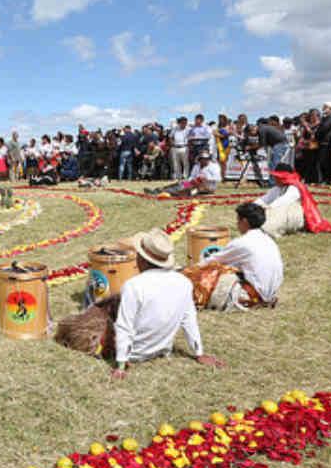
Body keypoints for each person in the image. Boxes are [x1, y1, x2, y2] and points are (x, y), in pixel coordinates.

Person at [109, 229, 222, 379]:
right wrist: (199, 353)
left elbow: (125, 326)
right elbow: (189, 319)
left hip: (135, 353)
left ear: (141, 260)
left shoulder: (133, 286)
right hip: (162, 349)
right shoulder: (183, 281)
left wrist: (121, 365)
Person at [184, 202, 283, 310]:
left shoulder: (243, 242)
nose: (237, 224)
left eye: (238, 220)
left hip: (254, 294)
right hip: (270, 292)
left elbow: (214, 260)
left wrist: (188, 271)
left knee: (210, 274)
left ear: (244, 221)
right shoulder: (268, 240)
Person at [253, 163, 331, 238]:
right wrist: (253, 206)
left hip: (296, 216)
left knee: (280, 212)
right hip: (282, 212)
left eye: (278, 177)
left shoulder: (295, 188)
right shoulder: (277, 188)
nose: (275, 179)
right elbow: (265, 199)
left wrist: (266, 208)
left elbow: (283, 202)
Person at [147, 150, 221, 197]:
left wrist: (206, 179)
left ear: (208, 159)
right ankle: (159, 190)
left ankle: (167, 192)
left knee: (185, 190)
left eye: (206, 159)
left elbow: (218, 179)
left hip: (207, 186)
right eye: (202, 159)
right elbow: (191, 177)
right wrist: (191, 181)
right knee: (181, 184)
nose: (204, 161)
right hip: (194, 183)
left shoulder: (214, 166)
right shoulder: (196, 166)